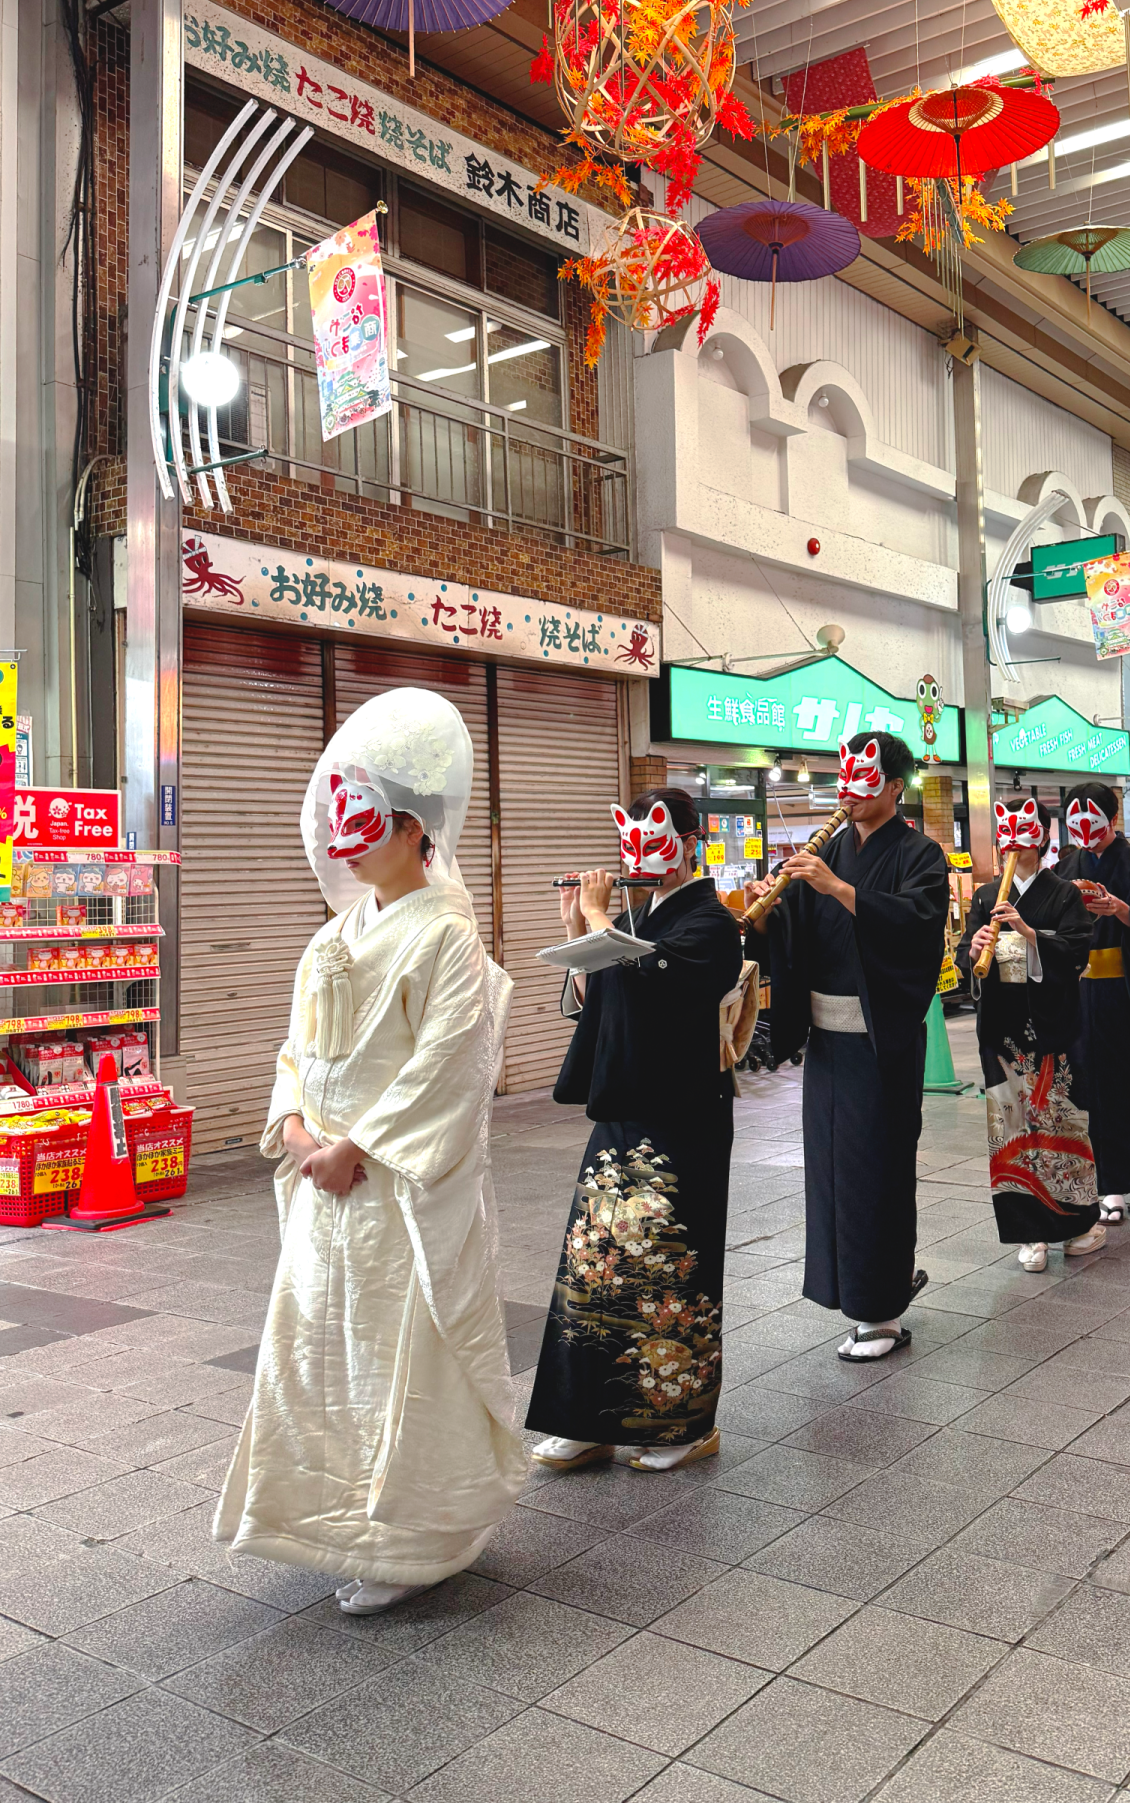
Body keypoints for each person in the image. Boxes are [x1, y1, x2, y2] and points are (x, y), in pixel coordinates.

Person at [215, 689, 523, 1615]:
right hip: (329, 1181)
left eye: (370, 822)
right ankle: (335, 1516)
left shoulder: (447, 935)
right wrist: (302, 1130)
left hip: (393, 1185)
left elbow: (452, 1067)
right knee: (323, 1350)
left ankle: (415, 1537)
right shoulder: (329, 938)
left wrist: (359, 1145)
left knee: (406, 1350)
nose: (349, 843)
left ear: (415, 833)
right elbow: (295, 1054)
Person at [528, 790, 745, 1474]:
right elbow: (603, 1005)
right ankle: (584, 1417)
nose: (642, 854)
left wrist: (598, 923)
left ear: (690, 841)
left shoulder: (712, 921)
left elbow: (658, 983)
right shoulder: (633, 917)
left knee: (669, 1272)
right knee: (595, 1266)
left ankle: (681, 1425)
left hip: (684, 1117)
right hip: (626, 1110)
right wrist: (581, 930)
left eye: (659, 838)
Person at [745, 732, 947, 1360]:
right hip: (829, 1045)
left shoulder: (922, 854)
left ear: (894, 786)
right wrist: (771, 916)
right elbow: (802, 940)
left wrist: (836, 888)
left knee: (875, 1171)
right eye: (845, 779)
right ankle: (847, 1294)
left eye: (866, 781)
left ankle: (882, 1310)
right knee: (830, 1171)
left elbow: (917, 930)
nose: (849, 793)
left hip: (878, 1044)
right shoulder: (828, 849)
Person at [956, 795, 1101, 1273]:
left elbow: (1078, 950)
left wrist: (1030, 933)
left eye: (1023, 835)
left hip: (1049, 1027)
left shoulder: (1063, 894)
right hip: (1001, 1027)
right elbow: (965, 958)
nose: (1013, 846)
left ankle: (1075, 1224)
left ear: (1041, 838)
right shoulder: (984, 895)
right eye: (1007, 838)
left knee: (1059, 1121)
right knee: (1011, 1125)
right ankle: (1030, 1232)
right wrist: (974, 947)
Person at [1061, 782, 1130, 1223]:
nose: (1085, 831)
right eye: (1076, 823)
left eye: (1093, 821)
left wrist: (1122, 910)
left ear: (1113, 820)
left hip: (1126, 991)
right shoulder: (1068, 863)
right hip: (1079, 990)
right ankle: (1105, 1182)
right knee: (1087, 1084)